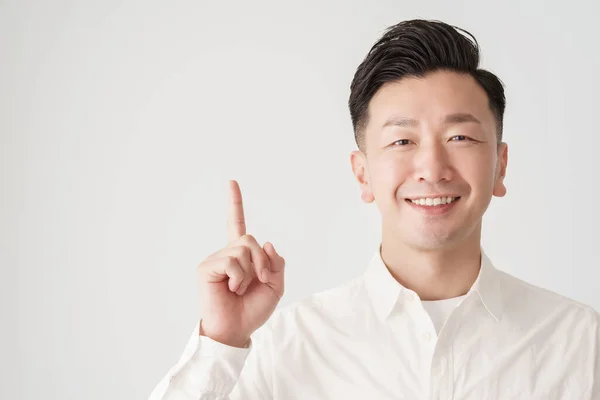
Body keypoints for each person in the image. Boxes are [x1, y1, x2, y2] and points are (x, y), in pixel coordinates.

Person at [149, 19, 599, 399]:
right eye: (403, 141)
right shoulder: (287, 345)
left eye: (459, 137)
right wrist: (221, 343)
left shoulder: (579, 343)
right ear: (363, 174)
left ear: (500, 166)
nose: (432, 167)